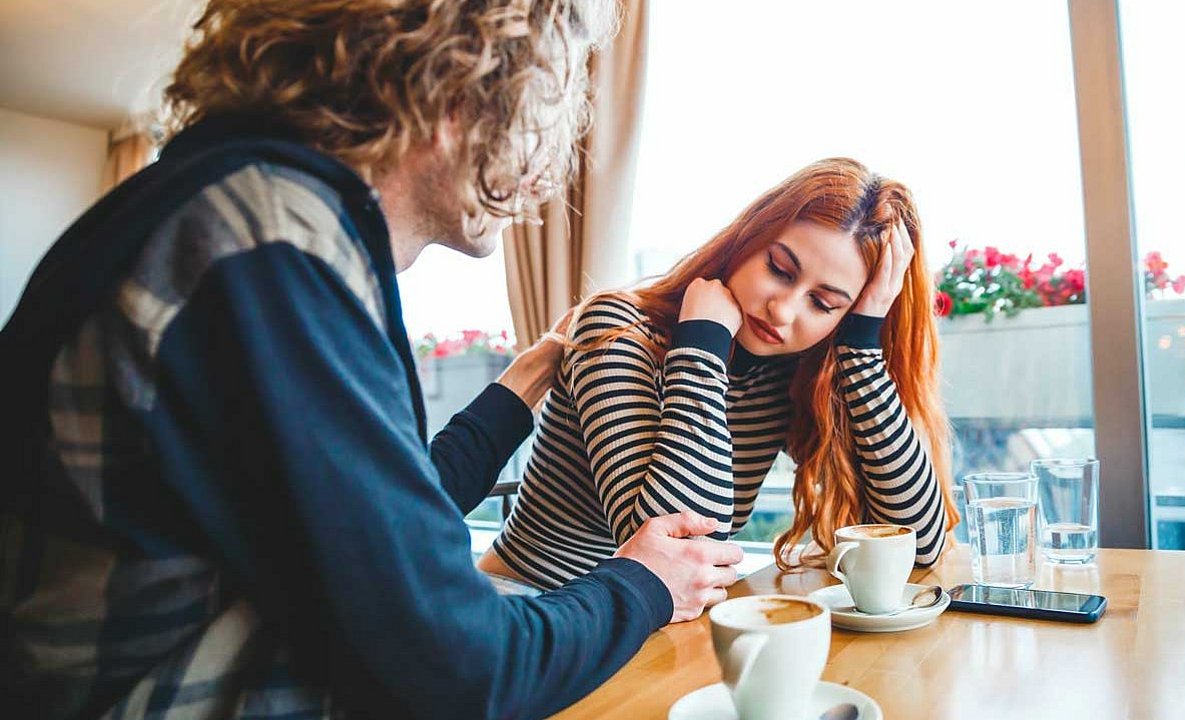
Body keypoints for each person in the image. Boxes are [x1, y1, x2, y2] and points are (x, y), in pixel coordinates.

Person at [0, 2, 742, 719]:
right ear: (464, 83)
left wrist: (528, 375)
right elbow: (459, 669)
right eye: (543, 100)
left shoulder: (239, 210)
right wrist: (642, 585)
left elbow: (386, 524)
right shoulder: (268, 249)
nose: (547, 153)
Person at [479, 158, 962, 590]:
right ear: (747, 240)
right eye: (779, 269)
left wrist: (860, 348)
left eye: (824, 303)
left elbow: (917, 542)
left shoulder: (788, 375)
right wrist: (702, 345)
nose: (783, 308)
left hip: (660, 630)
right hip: (530, 602)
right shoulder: (618, 330)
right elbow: (668, 551)